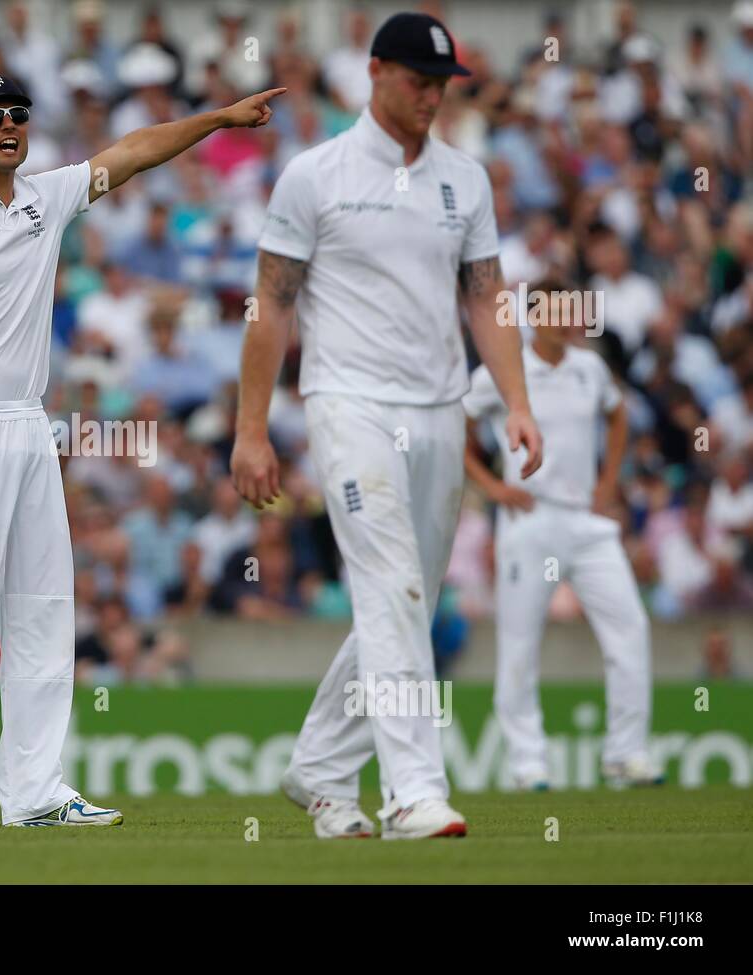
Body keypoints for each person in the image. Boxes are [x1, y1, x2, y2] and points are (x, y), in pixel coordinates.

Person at [0, 73, 283, 828]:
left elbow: (136, 150)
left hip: (28, 423)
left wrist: (219, 117)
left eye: (19, 115)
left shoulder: (48, 195)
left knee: (43, 610)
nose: (11, 125)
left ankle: (34, 790)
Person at [231, 12, 543, 840]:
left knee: (402, 602)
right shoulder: (313, 174)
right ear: (374, 73)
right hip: (347, 403)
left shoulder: (466, 179)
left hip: (439, 410)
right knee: (394, 590)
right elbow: (272, 306)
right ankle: (413, 791)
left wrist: (514, 400)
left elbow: (486, 296)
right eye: (417, 80)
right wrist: (250, 430)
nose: (431, 96)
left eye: (442, 84)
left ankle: (322, 768)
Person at [465, 280, 660, 790]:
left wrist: (608, 482)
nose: (563, 321)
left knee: (630, 627)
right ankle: (528, 764)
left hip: (587, 521)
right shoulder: (503, 375)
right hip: (529, 520)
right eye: (552, 313)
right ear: (532, 318)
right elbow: (454, 425)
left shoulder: (589, 368)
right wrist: (492, 487)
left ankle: (627, 753)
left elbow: (618, 416)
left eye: (568, 312)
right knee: (520, 645)